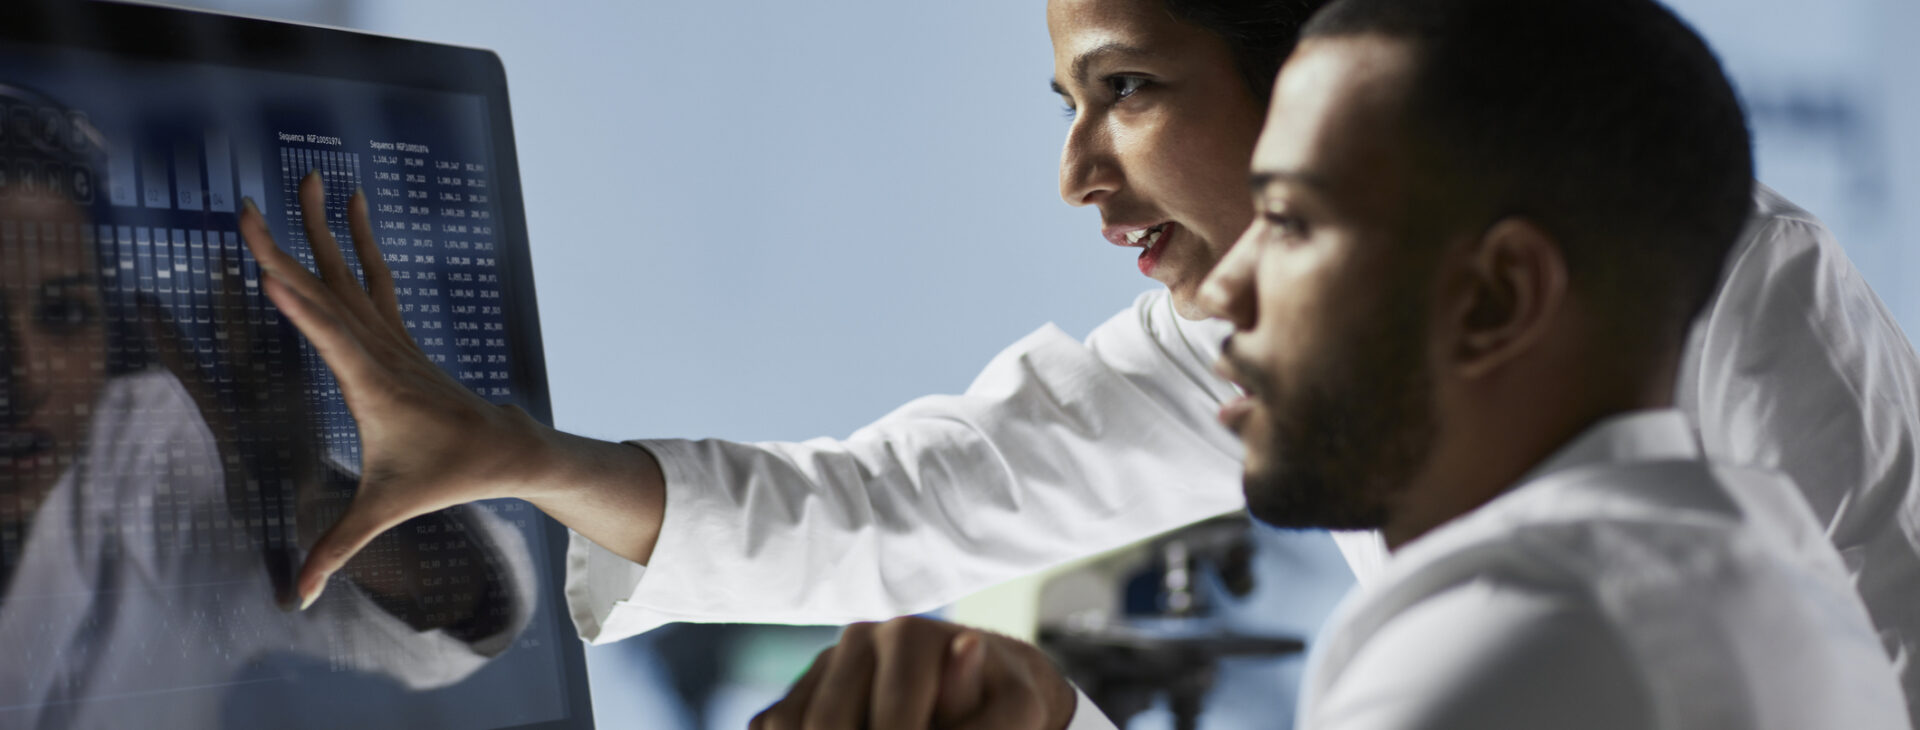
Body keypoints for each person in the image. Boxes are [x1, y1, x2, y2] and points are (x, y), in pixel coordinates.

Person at [241, 0, 1920, 716]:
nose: (1076, 174)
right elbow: (894, 502)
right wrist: (517, 459)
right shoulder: (1265, 338)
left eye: (1125, 88)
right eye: (1065, 103)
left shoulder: (1703, 337)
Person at [748, 0, 1911, 727]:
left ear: (1501, 287)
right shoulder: (1730, 592)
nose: (1230, 299)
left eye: (1292, 224)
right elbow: (906, 493)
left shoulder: (1526, 645)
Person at [0, 87, 536, 729]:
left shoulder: (151, 465)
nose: (27, 377)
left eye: (64, 314)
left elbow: (469, 612)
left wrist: (315, 503)